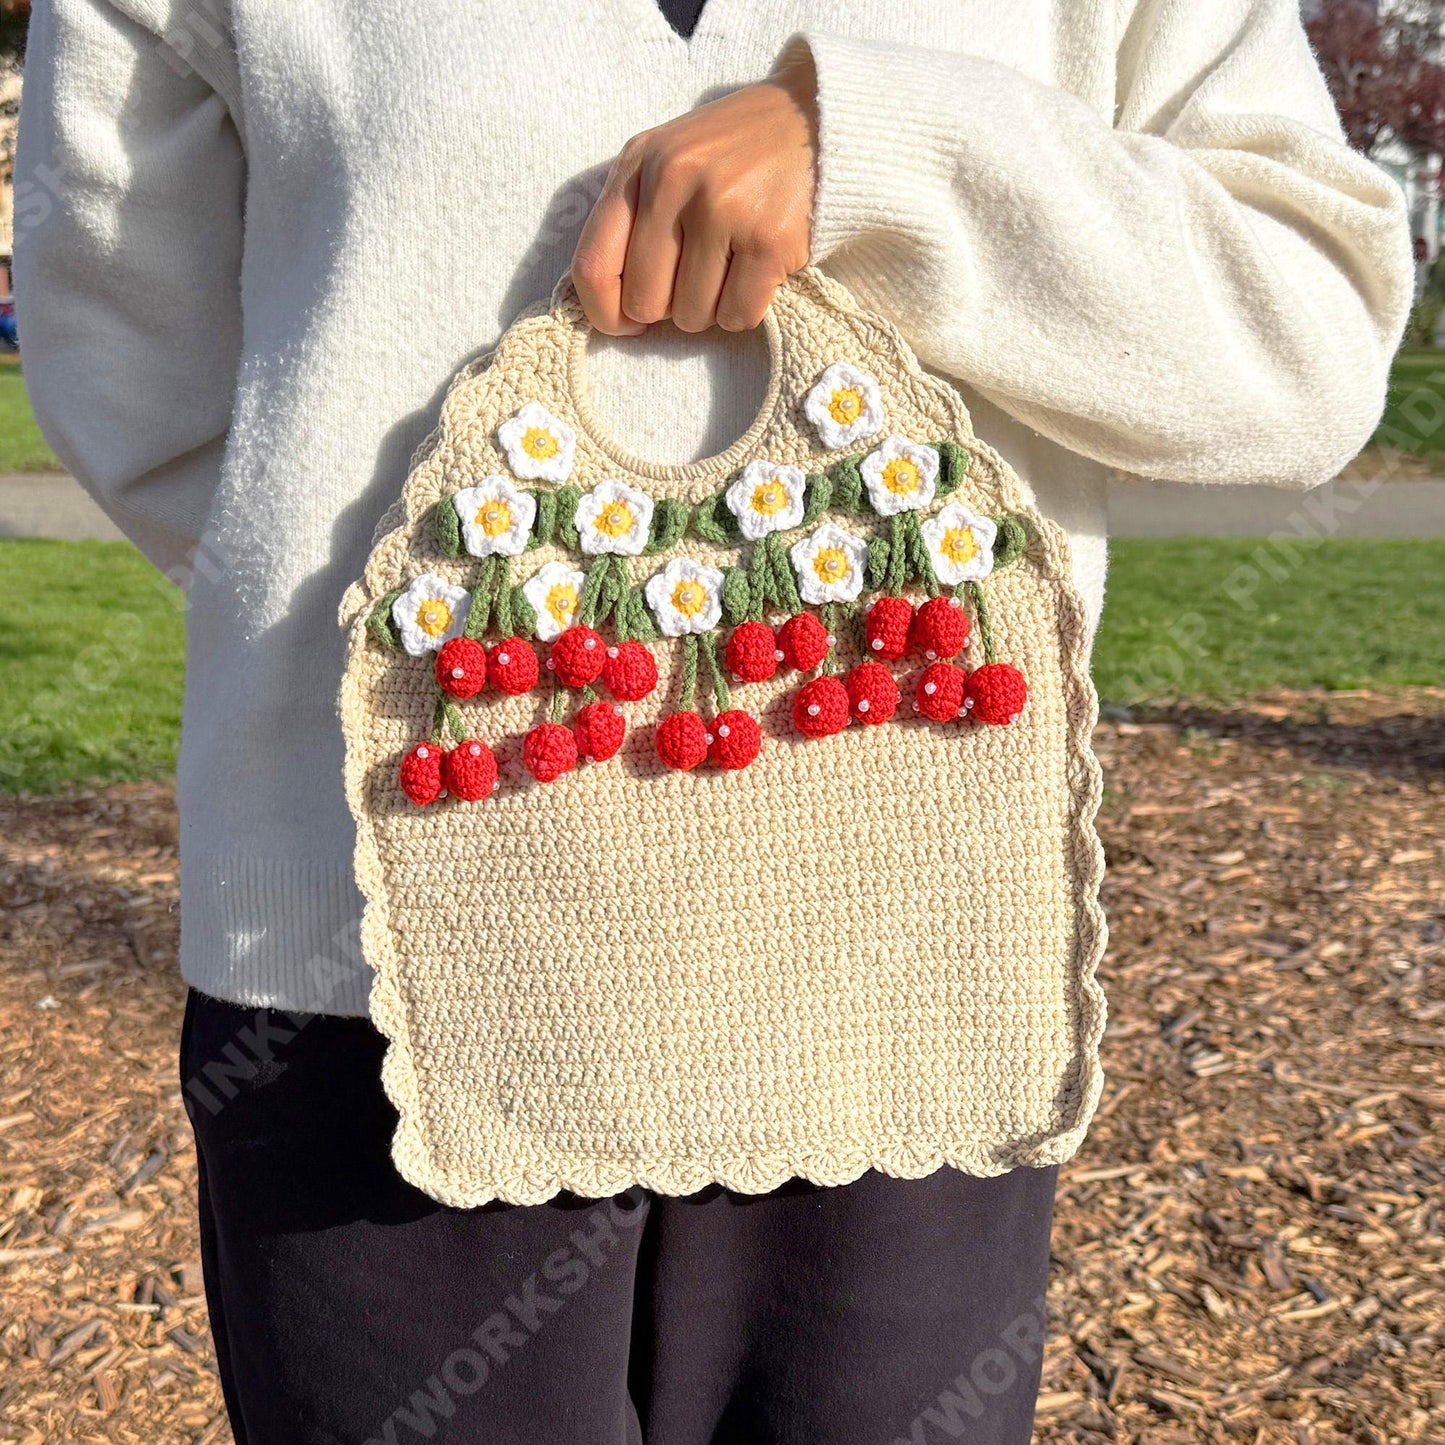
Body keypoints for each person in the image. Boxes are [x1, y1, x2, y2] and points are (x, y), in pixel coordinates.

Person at [15, 2, 1410, 1441]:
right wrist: (419, 632)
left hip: (897, 986)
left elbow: (1302, 334)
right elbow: (137, 375)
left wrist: (870, 155)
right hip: (372, 973)